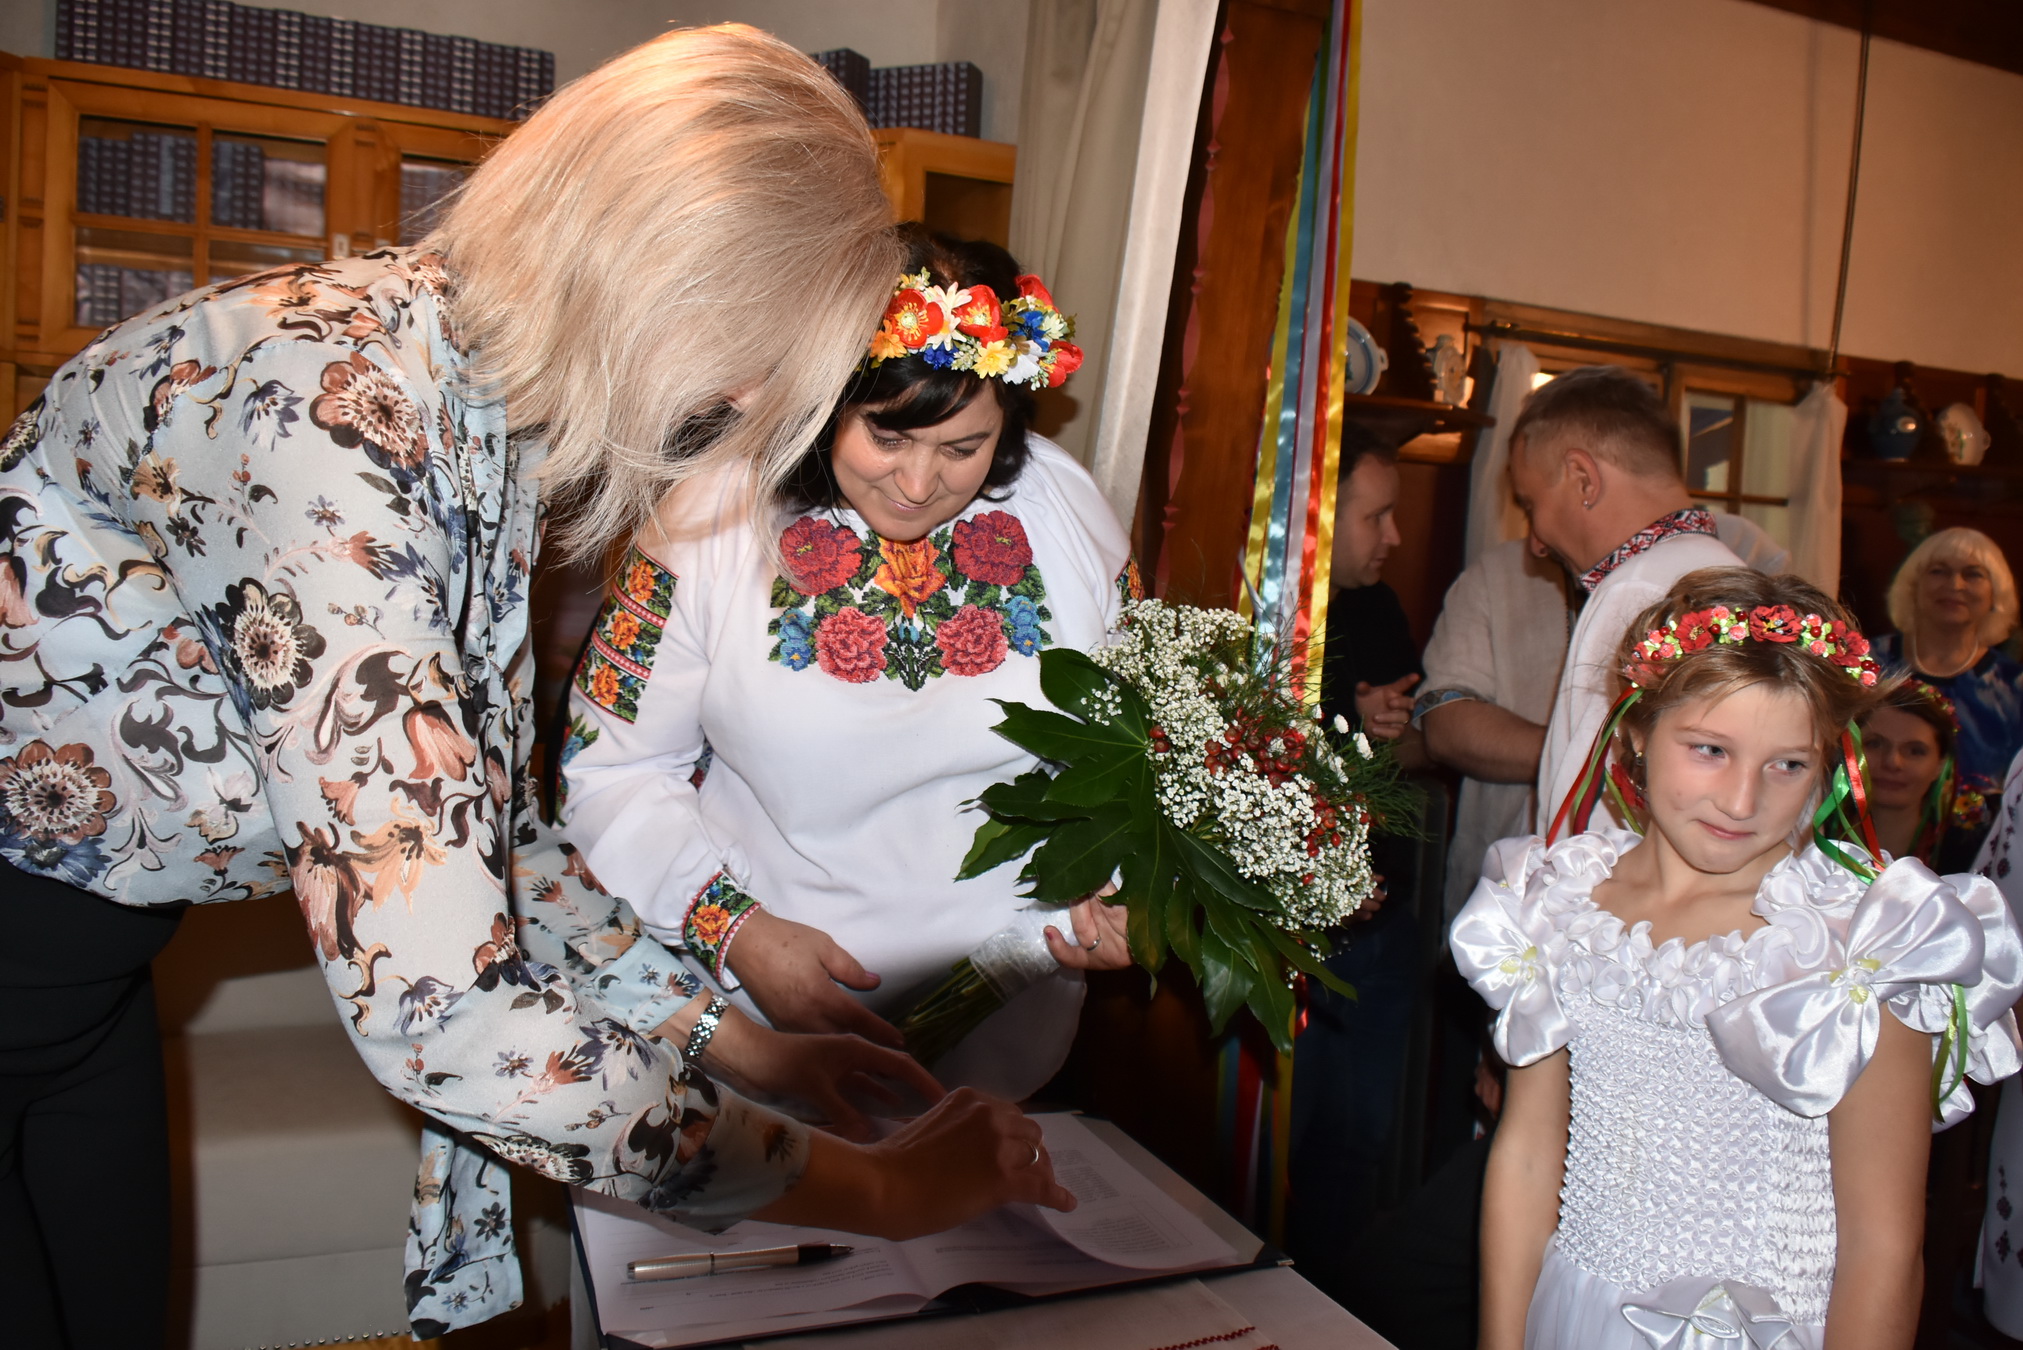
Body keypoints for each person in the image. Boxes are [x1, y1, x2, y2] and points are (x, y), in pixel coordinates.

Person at [0, 28, 1071, 1343]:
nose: (748, 403)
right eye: (760, 357)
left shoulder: (470, 407)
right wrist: (885, 1191)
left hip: (79, 986)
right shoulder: (325, 412)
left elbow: (499, 837)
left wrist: (744, 1046)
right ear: (669, 280)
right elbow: (445, 1010)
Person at [557, 226, 1129, 1103]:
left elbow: (1131, 735)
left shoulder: (1065, 504)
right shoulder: (706, 521)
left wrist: (1116, 875)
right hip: (755, 1029)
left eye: (963, 449)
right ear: (826, 399)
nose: (918, 483)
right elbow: (608, 772)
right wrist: (736, 932)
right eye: (887, 438)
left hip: (1010, 1023)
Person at [1454, 566, 2023, 1350]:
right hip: (1576, 1313)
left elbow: (1883, 1245)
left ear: (1829, 765)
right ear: (1636, 733)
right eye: (1709, 750)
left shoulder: (1859, 947)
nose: (1740, 800)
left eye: (1787, 764)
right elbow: (1525, 1158)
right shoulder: (1556, 903)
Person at [1506, 366, 1746, 834]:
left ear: (1583, 479)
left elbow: (1588, 818)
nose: (1536, 542)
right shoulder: (1735, 575)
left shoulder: (1636, 594)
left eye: (1531, 505)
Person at [1873, 527, 2023, 862]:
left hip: (1978, 862)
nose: (1955, 585)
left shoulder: (2013, 688)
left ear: (1996, 593)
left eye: (1973, 575)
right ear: (1912, 585)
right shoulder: (1863, 665)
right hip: (1856, 845)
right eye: (1938, 571)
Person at [1861, 680, 1980, 872]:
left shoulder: (1971, 858)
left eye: (1915, 751)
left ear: (1940, 765)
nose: (1892, 762)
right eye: (1874, 744)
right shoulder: (1815, 840)